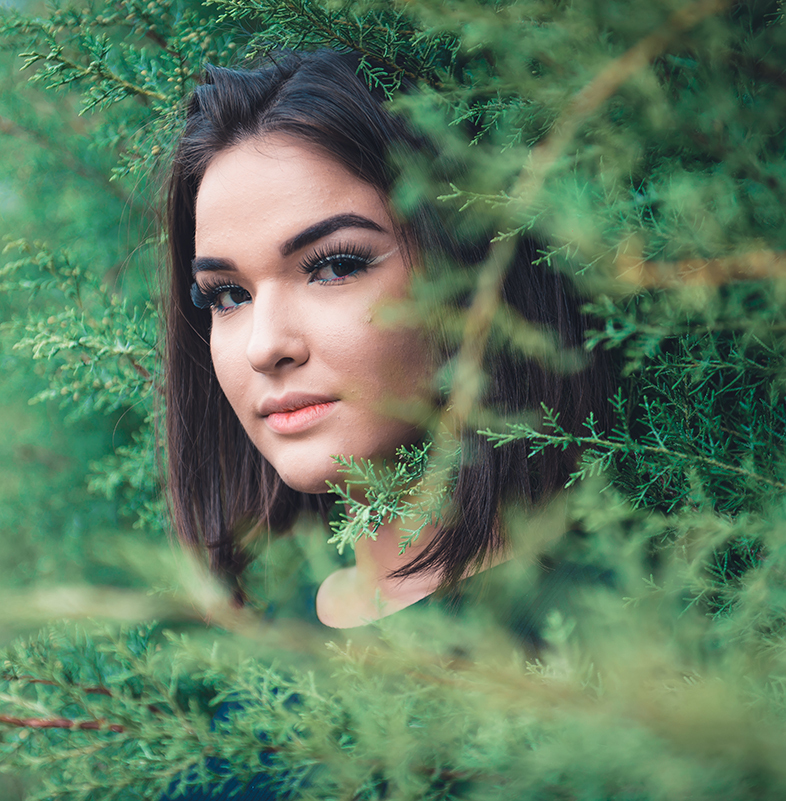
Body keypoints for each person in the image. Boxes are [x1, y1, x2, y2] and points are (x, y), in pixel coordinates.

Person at [165, 49, 616, 631]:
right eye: (227, 295)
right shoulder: (251, 659)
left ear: (473, 270)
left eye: (334, 266)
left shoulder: (618, 632)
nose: (263, 346)